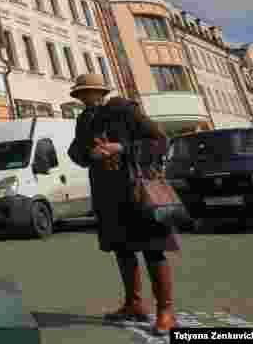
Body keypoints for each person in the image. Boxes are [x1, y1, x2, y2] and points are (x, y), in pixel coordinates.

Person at [66, 73, 180, 336]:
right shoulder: (84, 119)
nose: (84, 97)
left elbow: (160, 141)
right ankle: (134, 304)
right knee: (122, 249)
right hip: (108, 193)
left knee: (153, 250)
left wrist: (122, 148)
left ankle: (166, 311)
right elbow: (75, 152)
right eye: (80, 94)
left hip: (139, 190)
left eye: (89, 92)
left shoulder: (124, 110)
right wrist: (89, 153)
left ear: (101, 92)